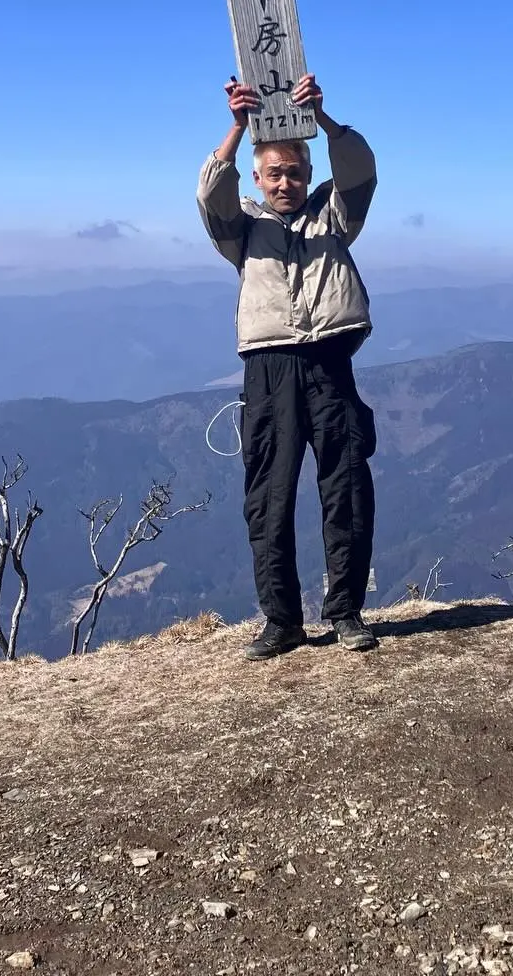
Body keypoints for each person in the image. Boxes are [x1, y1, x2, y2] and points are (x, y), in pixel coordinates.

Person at [197, 72, 380, 659]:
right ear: (257, 178)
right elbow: (210, 196)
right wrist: (237, 128)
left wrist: (322, 119)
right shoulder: (242, 230)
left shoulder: (335, 217)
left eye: (294, 173)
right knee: (268, 497)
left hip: (330, 363)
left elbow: (360, 169)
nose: (285, 183)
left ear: (308, 173)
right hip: (269, 370)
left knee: (346, 488)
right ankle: (282, 622)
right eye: (274, 173)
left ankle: (345, 612)